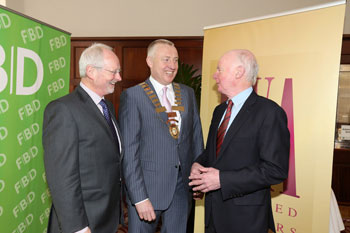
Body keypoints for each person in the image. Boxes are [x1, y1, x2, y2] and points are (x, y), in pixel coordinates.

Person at [189, 49, 290, 233]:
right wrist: (198, 163)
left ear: (239, 72)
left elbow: (276, 170)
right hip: (213, 214)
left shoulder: (269, 112)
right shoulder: (219, 111)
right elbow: (214, 154)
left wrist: (222, 179)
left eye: (220, 70)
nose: (214, 75)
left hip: (246, 220)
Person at [118, 39, 203, 233]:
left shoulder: (187, 93)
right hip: (147, 190)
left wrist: (199, 178)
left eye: (175, 60)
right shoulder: (133, 96)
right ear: (149, 61)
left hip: (181, 189)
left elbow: (196, 137)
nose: (172, 66)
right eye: (166, 59)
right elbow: (129, 151)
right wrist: (139, 197)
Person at [43, 43, 123, 233]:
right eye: (113, 72)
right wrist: (77, 227)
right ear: (91, 71)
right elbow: (61, 177)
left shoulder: (107, 108)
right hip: (82, 221)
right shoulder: (63, 110)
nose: (119, 77)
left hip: (106, 218)